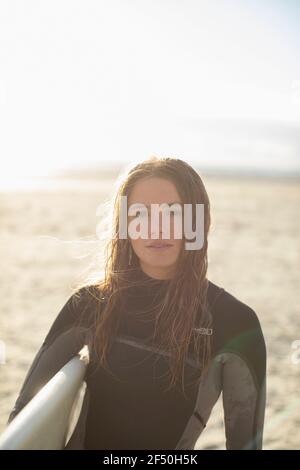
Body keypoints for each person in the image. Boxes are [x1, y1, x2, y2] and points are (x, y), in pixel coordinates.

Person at [7, 156, 267, 450]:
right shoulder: (90, 304)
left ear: (199, 221)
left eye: (173, 213)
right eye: (141, 214)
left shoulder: (233, 322)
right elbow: (24, 417)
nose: (157, 228)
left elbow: (247, 445)